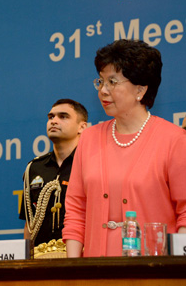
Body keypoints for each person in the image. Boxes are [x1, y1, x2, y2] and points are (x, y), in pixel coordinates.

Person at [63, 39, 186, 257]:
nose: (103, 90)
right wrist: (73, 271)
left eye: (113, 82)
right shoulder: (89, 138)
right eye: (101, 82)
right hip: (93, 272)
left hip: (154, 273)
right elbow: (76, 210)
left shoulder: (174, 140)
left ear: (140, 89)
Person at [20, 99, 88, 254]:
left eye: (63, 117)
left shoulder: (92, 163)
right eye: (51, 117)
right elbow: (29, 223)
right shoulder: (34, 167)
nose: (54, 121)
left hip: (82, 255)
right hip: (40, 258)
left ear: (82, 127)